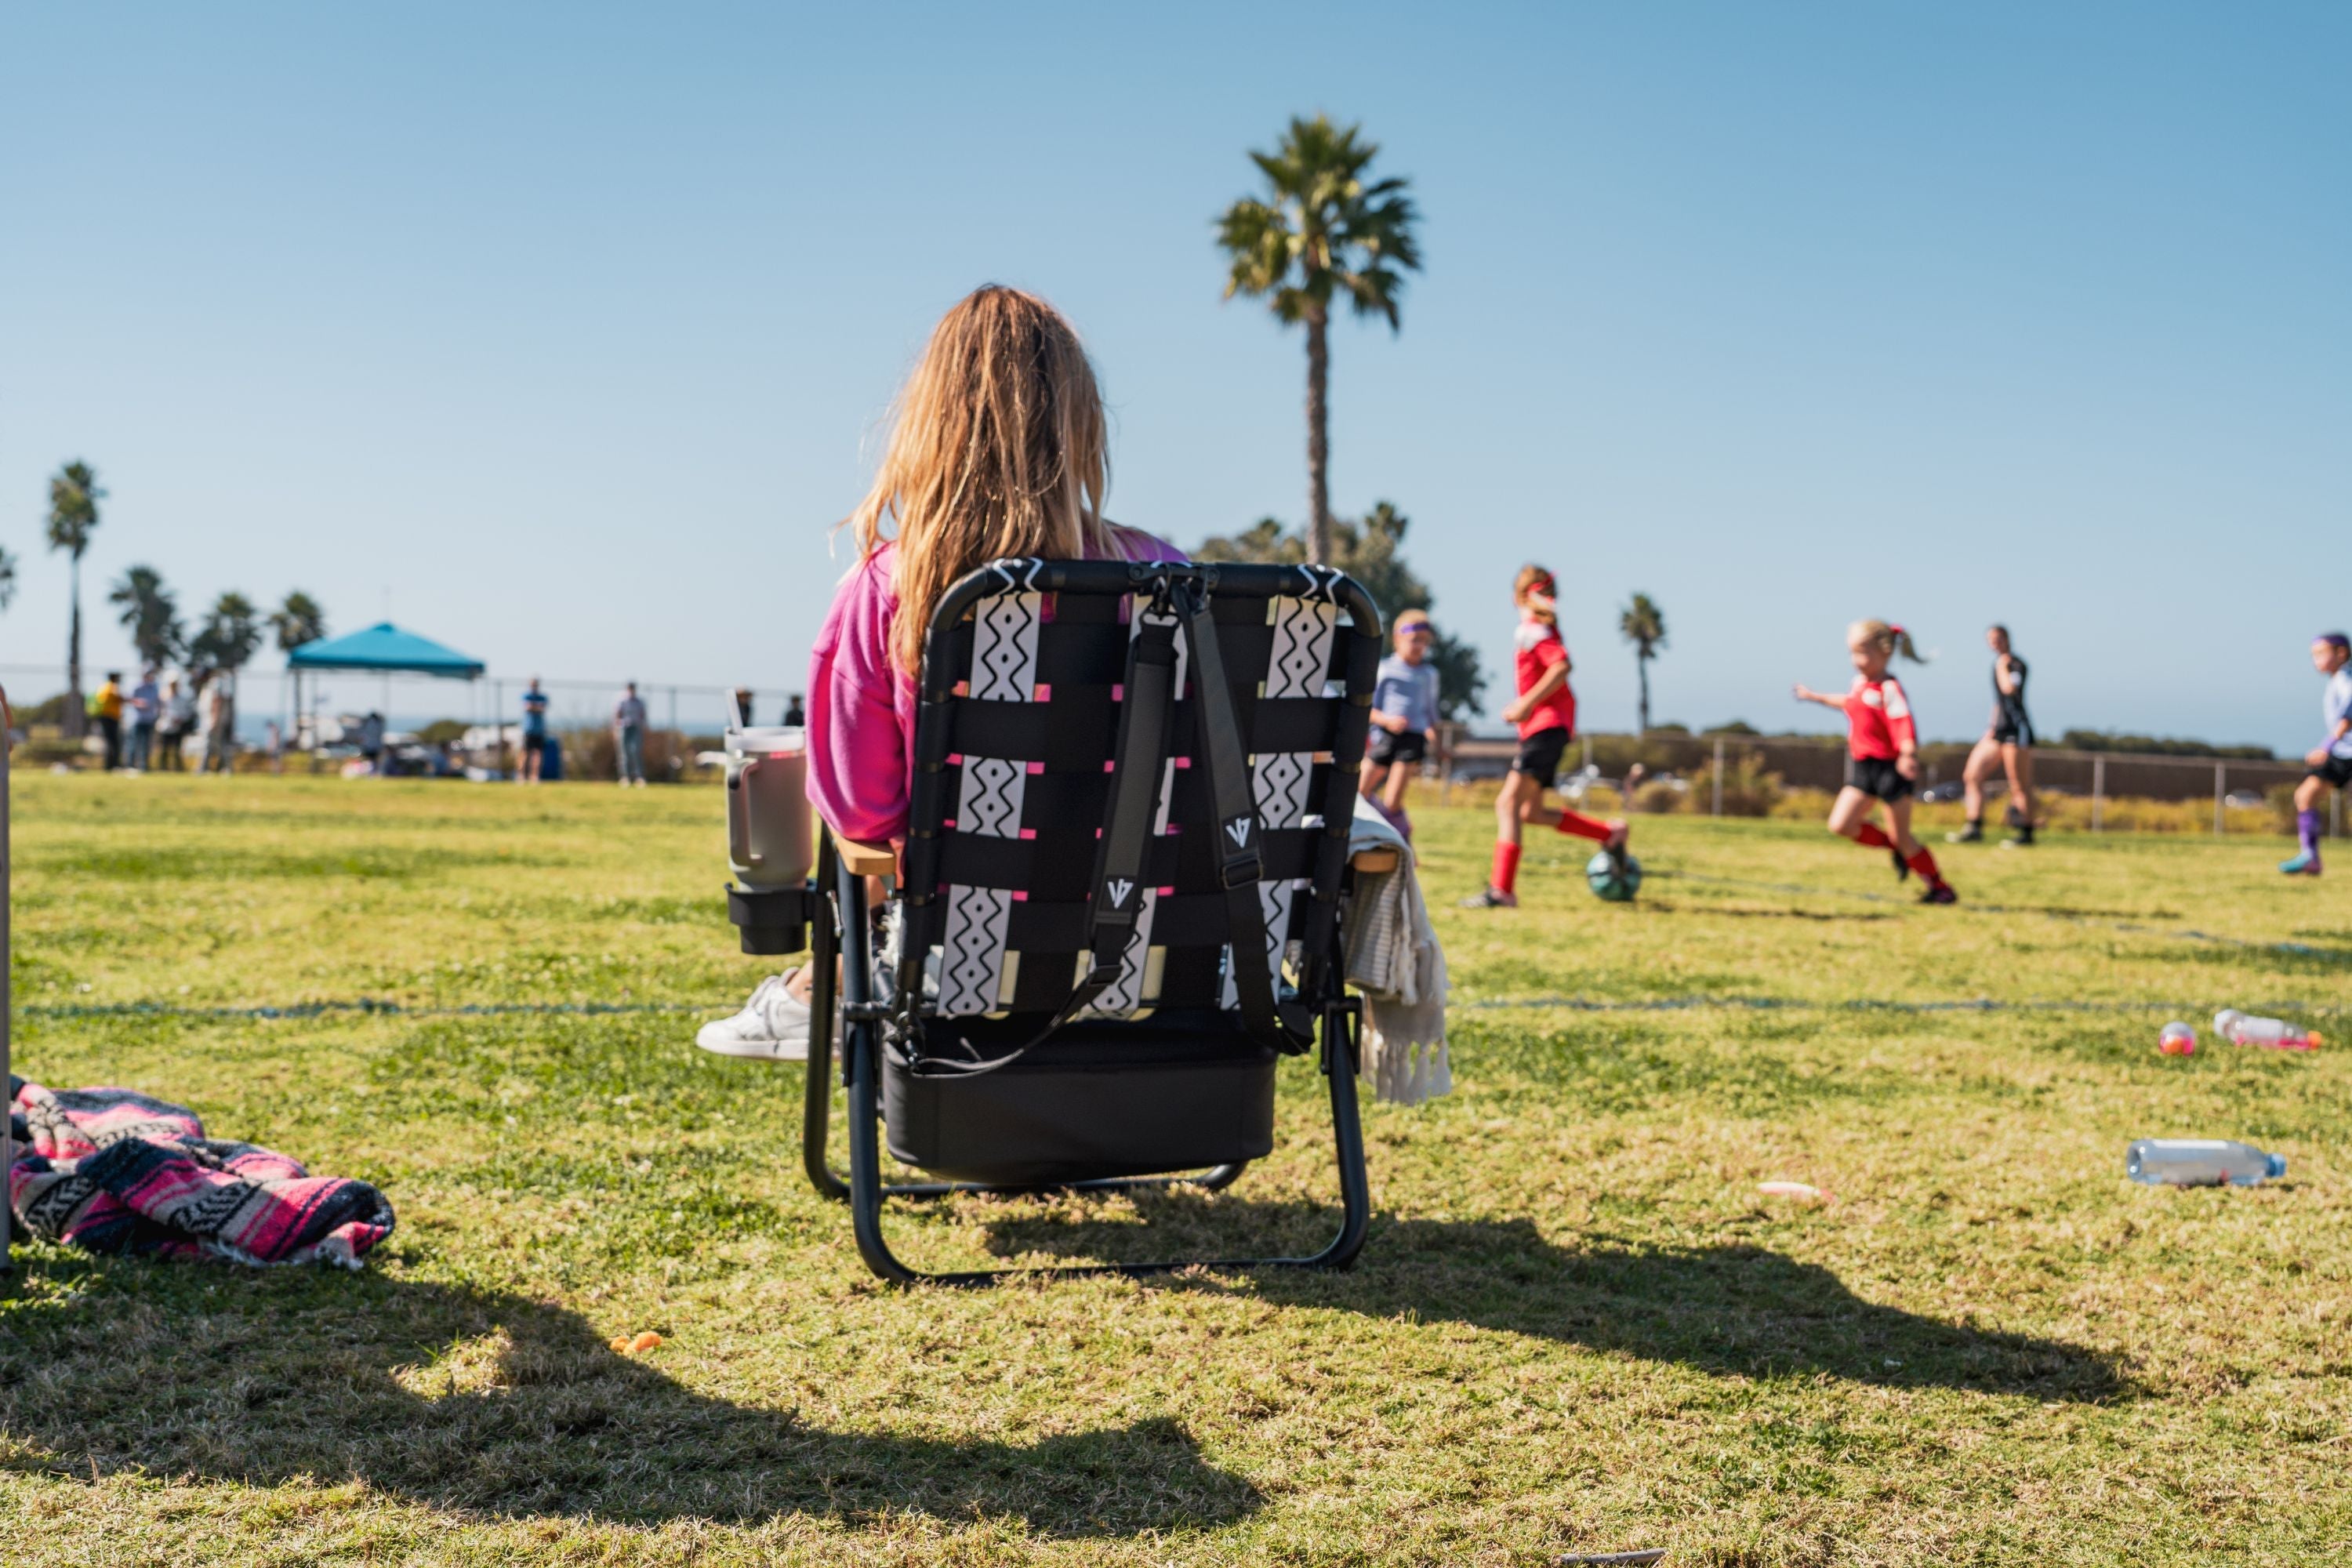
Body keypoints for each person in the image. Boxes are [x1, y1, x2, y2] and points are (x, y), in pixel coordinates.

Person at [697, 284, 1181, 1062]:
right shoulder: (1167, 577)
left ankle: (806, 994)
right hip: (1164, 961)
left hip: (964, 973)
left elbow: (863, 816)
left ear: (929, 423)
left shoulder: (891, 592)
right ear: (1081, 420)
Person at [1461, 566, 1628, 909]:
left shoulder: (1532, 630)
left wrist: (1525, 704)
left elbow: (1562, 666)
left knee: (1506, 804)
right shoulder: (1545, 628)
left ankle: (1502, 891)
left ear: (1517, 596)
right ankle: (1609, 835)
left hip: (1545, 728)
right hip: (1549, 729)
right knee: (1529, 812)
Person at [1792, 619, 1957, 904]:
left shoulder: (1890, 689)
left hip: (1891, 770)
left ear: (1885, 653)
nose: (1856, 661)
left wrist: (1907, 755)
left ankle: (1940, 888)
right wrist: (1814, 697)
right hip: (1864, 767)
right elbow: (1848, 703)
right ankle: (1895, 848)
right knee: (1841, 824)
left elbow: (1903, 723)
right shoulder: (1859, 684)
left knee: (1905, 839)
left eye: (1863, 653)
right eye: (1852, 653)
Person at [1951, 624, 2037, 847]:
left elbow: (2009, 690)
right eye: (1990, 639)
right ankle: (1974, 826)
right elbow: (1999, 701)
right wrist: (1990, 726)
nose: (1993, 643)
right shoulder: (1997, 664)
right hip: (1997, 730)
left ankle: (2025, 832)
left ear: (2006, 639)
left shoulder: (2015, 664)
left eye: (1997, 639)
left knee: (2019, 784)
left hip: (2017, 730)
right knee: (1972, 775)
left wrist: (2002, 665)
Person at [1361, 608, 1439, 837]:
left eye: (1424, 642)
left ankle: (1400, 839)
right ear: (1397, 639)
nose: (1418, 646)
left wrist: (1437, 741)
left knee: (1393, 800)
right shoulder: (1385, 669)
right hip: (1385, 736)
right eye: (1414, 640)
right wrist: (1387, 720)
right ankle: (1372, 830)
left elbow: (1430, 711)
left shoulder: (1429, 674)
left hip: (1413, 739)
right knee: (1359, 792)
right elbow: (1367, 708)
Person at [2280, 632, 2352, 876]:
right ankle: (2310, 858)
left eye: (2321, 653)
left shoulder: (2348, 679)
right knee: (2305, 796)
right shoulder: (2336, 680)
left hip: (2342, 751)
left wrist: (2326, 746)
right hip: (2343, 753)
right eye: (2314, 655)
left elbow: (2348, 718)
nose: (2316, 660)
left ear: (2341, 654)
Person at [614, 681, 648, 787]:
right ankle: (625, 777)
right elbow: (617, 714)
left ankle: (639, 777)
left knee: (636, 752)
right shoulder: (622, 701)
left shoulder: (639, 702)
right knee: (624, 754)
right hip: (624, 728)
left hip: (636, 728)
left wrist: (644, 728)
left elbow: (643, 715)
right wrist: (616, 729)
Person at [125, 667, 160, 771]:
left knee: (146, 744)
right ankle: (130, 765)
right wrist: (140, 703)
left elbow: (157, 701)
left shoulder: (154, 687)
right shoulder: (136, 686)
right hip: (137, 719)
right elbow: (129, 699)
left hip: (149, 719)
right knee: (134, 743)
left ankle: (143, 766)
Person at [156, 677, 194, 771]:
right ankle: (162, 768)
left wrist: (180, 719)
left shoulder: (182, 698)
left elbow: (187, 713)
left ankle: (178, 768)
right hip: (165, 727)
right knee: (164, 749)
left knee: (177, 749)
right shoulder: (164, 697)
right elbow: (160, 711)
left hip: (178, 727)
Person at [90, 672, 124, 771]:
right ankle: (113, 765)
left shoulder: (103, 687)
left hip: (104, 717)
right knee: (113, 742)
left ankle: (109, 765)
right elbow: (120, 698)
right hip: (111, 717)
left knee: (109, 741)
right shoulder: (112, 687)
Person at [518, 678, 550, 784]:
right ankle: (521, 777)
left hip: (539, 730)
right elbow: (527, 707)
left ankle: (534, 777)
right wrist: (536, 707)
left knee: (538, 755)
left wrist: (533, 707)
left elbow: (542, 708)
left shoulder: (543, 697)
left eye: (535, 685)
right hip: (528, 730)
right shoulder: (526, 696)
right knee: (525, 754)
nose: (534, 687)